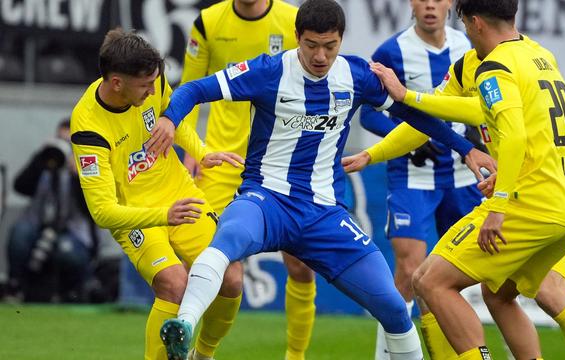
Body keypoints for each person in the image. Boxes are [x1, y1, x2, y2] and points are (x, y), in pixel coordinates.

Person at [150, 1, 495, 359]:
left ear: (341, 40)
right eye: (311, 45)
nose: (320, 56)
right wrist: (170, 119)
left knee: (393, 306)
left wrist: (465, 149)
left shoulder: (357, 75)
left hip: (325, 215)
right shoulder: (268, 71)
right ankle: (185, 327)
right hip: (267, 199)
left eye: (329, 46)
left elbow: (414, 115)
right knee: (224, 245)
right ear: (297, 37)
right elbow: (192, 90)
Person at [348, 0, 565, 358]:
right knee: (501, 294)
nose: (465, 32)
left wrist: (500, 203)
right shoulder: (537, 56)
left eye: (465, 24)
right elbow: (439, 119)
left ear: (476, 22)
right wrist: (372, 154)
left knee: (428, 281)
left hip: (528, 203)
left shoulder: (494, 67)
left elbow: (513, 134)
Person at [69, 29, 244, 360]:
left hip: (179, 194)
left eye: (155, 83)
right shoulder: (89, 128)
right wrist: (164, 216)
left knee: (231, 276)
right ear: (117, 83)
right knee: (174, 284)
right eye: (145, 85)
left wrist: (202, 153)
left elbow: (173, 121)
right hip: (136, 215)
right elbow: (102, 212)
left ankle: (203, 355)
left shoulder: (153, 83)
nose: (153, 90)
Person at [179, 1, 316, 359]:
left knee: (300, 265)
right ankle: (201, 352)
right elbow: (190, 87)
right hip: (222, 162)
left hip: (282, 161)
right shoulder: (209, 22)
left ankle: (295, 356)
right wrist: (191, 150)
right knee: (211, 268)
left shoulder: (292, 20)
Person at [358, 1, 481, 358]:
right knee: (411, 270)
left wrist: (477, 136)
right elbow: (368, 113)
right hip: (412, 177)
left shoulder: (468, 46)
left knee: (476, 276)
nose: (430, 4)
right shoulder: (392, 51)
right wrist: (407, 136)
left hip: (462, 177)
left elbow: (481, 102)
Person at [6, 119, 96, 302]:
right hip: (37, 223)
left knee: (67, 252)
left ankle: (69, 293)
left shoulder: (85, 165)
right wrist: (40, 159)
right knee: (19, 235)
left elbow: (93, 209)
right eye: (60, 140)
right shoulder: (44, 163)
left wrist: (80, 177)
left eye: (69, 143)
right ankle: (15, 288)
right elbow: (20, 186)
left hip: (71, 229)